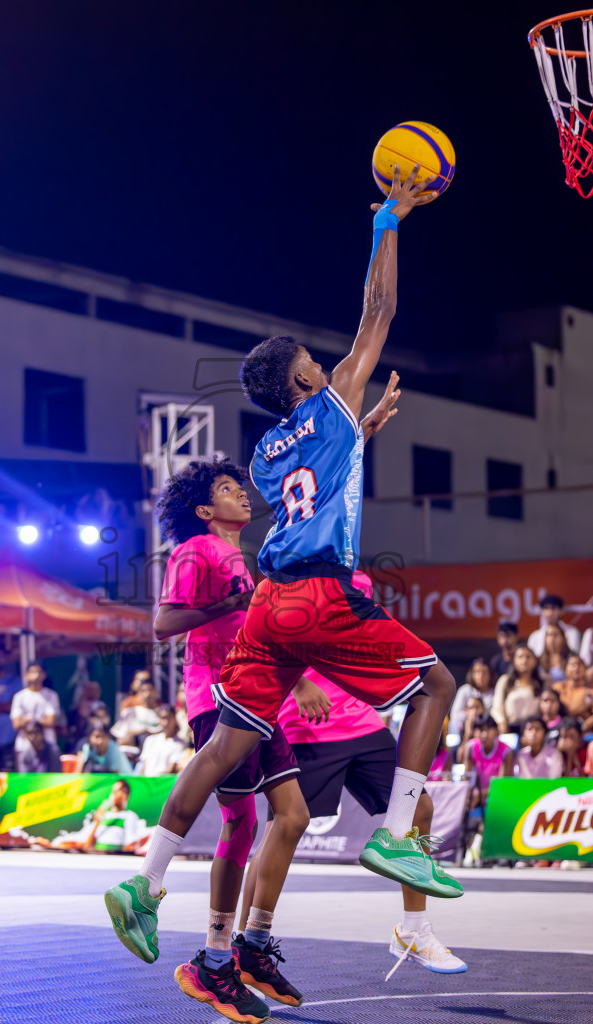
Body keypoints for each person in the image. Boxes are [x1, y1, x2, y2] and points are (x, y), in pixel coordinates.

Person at [104, 165, 462, 977]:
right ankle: (400, 839)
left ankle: (146, 881)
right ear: (306, 378)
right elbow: (379, 310)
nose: (326, 363)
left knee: (228, 745)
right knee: (436, 687)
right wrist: (388, 222)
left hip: (267, 604)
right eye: (315, 361)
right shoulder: (328, 398)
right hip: (317, 594)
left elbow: (315, 477)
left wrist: (358, 430)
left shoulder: (266, 453)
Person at [152, 453, 322, 1019]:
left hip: (260, 697)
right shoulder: (194, 550)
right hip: (215, 697)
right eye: (229, 489)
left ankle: (251, 947)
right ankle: (215, 960)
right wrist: (227, 603)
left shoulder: (237, 556)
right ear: (205, 509)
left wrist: (293, 687)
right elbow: (163, 624)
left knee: (293, 816)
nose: (242, 494)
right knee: (241, 820)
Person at [238, 619, 467, 980]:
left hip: (362, 722)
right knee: (280, 831)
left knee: (419, 808)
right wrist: (297, 682)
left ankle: (413, 930)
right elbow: (269, 631)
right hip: (307, 722)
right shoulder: (299, 573)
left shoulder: (356, 579)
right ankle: (246, 946)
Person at [30, 779, 146, 853]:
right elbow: (87, 846)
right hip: (95, 853)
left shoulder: (129, 816)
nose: (116, 795)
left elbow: (129, 847)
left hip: (111, 856)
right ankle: (47, 845)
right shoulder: (104, 815)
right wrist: (97, 821)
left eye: (119, 791)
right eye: (114, 791)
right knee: (68, 843)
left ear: (126, 795)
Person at [462, 713, 513, 867]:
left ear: (495, 732)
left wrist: (480, 794)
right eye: (479, 730)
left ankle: (478, 848)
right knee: (461, 804)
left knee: (491, 806)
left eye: (487, 730)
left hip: (498, 797)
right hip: (477, 795)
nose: (483, 734)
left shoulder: (507, 751)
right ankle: (463, 848)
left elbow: (502, 785)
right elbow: (467, 778)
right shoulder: (470, 747)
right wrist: (470, 795)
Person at [10, 663, 61, 772]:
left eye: (39, 672)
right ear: (26, 675)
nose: (36, 675)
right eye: (33, 672)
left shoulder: (51, 695)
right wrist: (41, 720)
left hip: (47, 744)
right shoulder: (19, 697)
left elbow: (51, 721)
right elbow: (16, 724)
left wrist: (28, 719)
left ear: (44, 675)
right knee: (24, 779)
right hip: (24, 745)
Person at [491, 645, 543, 734]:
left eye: (528, 657)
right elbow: (496, 707)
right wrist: (501, 723)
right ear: (514, 661)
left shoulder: (541, 682)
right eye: (520, 657)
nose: (524, 660)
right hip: (509, 729)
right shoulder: (505, 681)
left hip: (533, 731)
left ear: (535, 661)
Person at [448, 658, 495, 735]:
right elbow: (455, 715)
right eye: (477, 672)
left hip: (486, 733)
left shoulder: (494, 693)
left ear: (490, 674)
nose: (480, 676)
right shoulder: (465, 690)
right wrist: (473, 713)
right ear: (472, 673)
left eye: (484, 672)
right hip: (463, 732)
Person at [111, 676, 162, 747]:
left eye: (150, 690)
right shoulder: (131, 712)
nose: (147, 694)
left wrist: (147, 731)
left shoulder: (163, 713)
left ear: (156, 692)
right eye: (143, 691)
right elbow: (119, 737)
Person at [136, 707, 186, 776]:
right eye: (163, 718)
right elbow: (143, 767)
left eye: (169, 718)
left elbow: (171, 770)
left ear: (175, 720)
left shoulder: (180, 744)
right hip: (147, 783)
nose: (166, 722)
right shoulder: (150, 740)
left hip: (163, 784)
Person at [552, 655, 593, 729]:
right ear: (565, 669)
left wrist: (584, 726)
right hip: (559, 728)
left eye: (579, 664)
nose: (576, 668)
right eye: (572, 664)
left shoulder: (590, 691)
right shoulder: (557, 688)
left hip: (584, 733)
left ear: (585, 669)